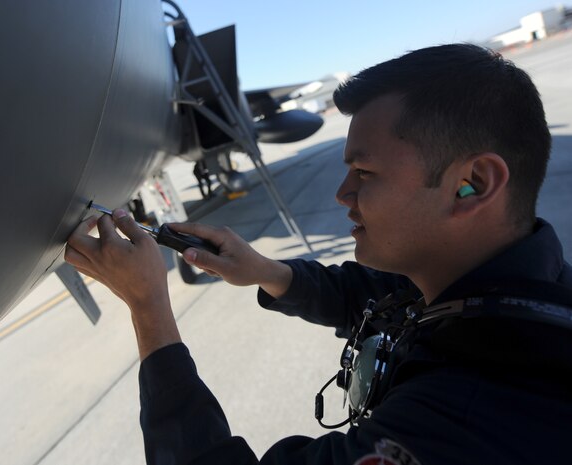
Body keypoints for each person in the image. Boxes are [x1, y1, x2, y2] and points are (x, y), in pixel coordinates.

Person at [65, 43, 572, 464]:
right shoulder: (512, 295)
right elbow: (384, 299)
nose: (342, 193)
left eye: (365, 173)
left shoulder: (467, 418)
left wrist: (149, 308)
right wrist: (266, 271)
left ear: (473, 184)